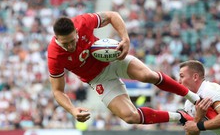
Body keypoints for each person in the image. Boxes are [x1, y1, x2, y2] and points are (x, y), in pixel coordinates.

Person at [47, 11, 203, 126]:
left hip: (113, 59)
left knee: (148, 76)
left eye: (72, 40)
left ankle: (193, 98)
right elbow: (57, 91)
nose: (70, 46)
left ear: (76, 31)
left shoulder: (82, 22)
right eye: (65, 44)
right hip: (98, 79)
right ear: (56, 38)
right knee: (130, 116)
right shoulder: (54, 56)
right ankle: (180, 117)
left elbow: (112, 16)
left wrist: (125, 38)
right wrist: (72, 110)